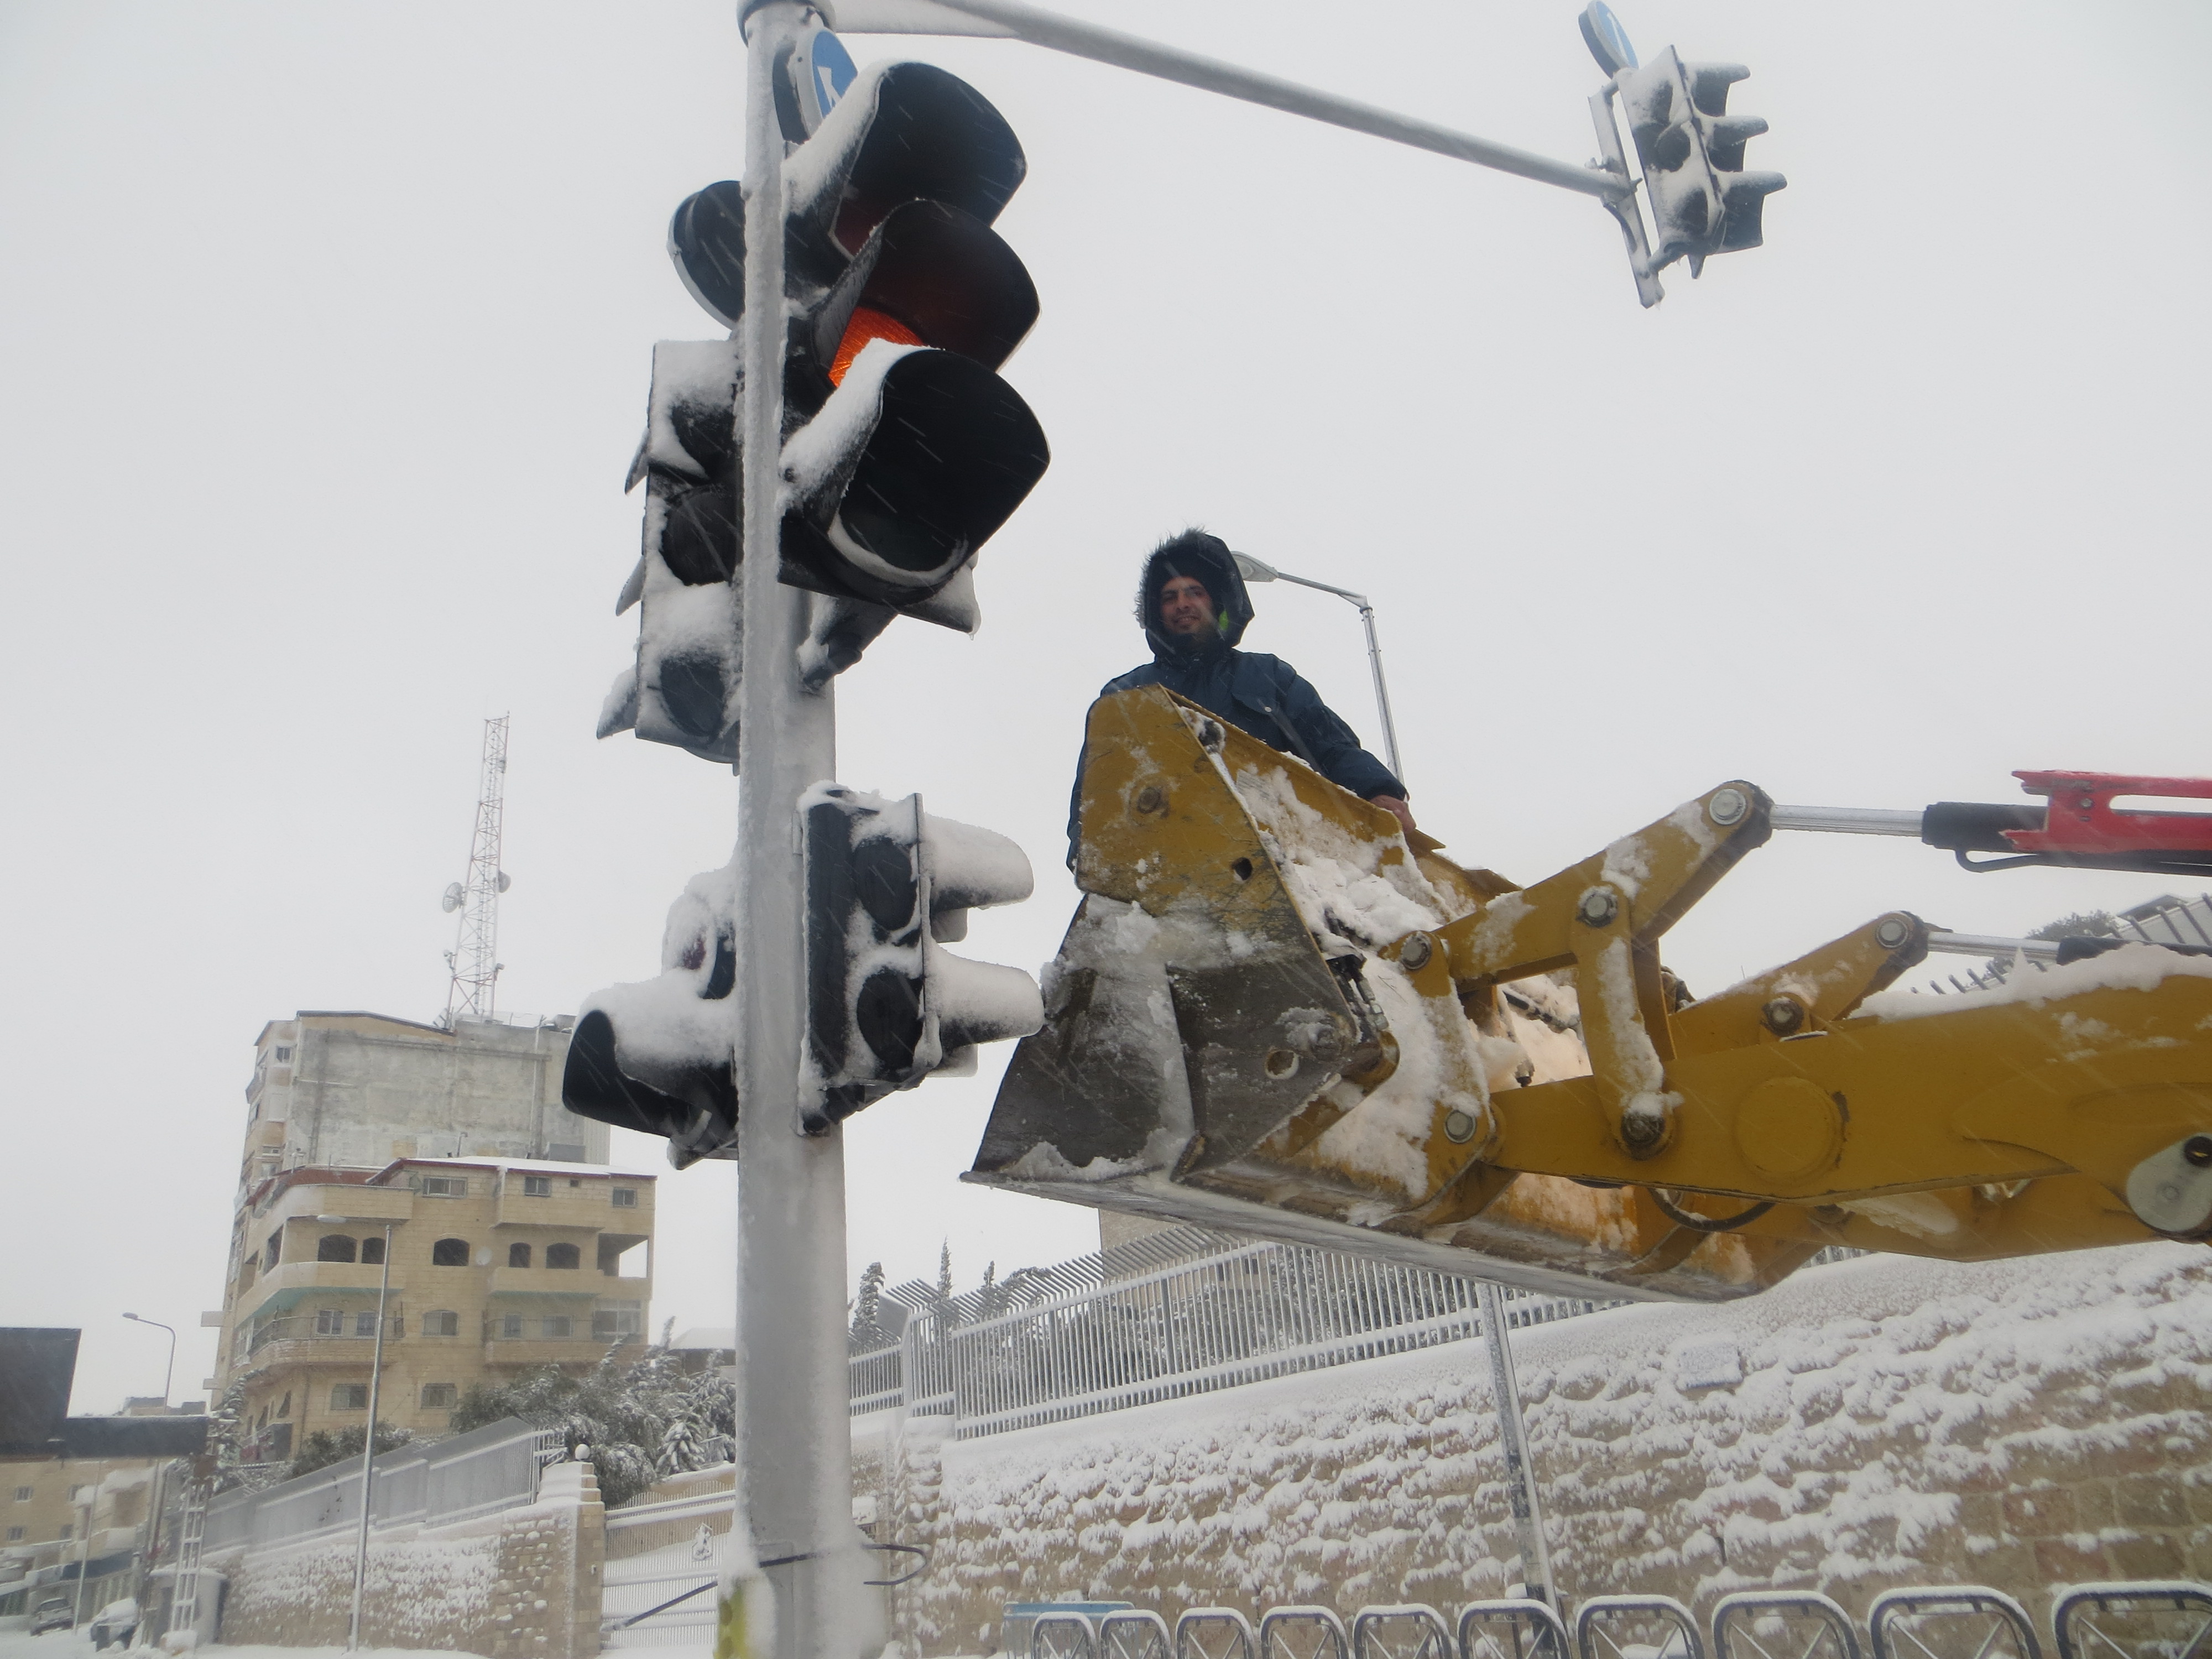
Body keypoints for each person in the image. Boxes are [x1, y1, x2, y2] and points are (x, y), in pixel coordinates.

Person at [1070, 529, 1412, 862]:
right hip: (1166, 864)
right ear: (1157, 612)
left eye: (1194, 592)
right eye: (1169, 597)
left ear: (1217, 602)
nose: (1182, 604)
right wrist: (1087, 857)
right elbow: (1096, 790)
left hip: (1274, 861)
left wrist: (1379, 791)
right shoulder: (1127, 694)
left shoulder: (1270, 676)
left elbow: (1330, 746)